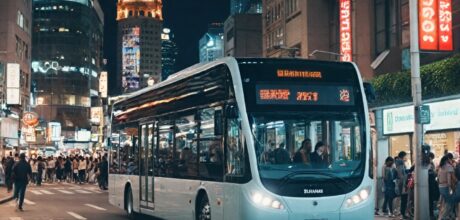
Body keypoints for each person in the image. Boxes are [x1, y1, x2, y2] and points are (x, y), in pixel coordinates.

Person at [437, 154, 455, 220]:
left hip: (440, 187)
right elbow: (449, 179)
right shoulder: (449, 167)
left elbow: (438, 178)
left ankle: (442, 217)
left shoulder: (440, 167)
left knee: (443, 203)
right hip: (446, 186)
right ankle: (443, 217)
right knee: (449, 203)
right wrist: (450, 188)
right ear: (448, 159)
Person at [395, 151, 409, 219]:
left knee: (403, 199)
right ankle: (401, 213)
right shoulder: (400, 164)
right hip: (402, 184)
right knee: (403, 199)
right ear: (402, 156)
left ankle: (402, 213)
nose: (406, 158)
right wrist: (405, 181)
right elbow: (401, 175)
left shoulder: (400, 164)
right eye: (405, 156)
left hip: (402, 183)